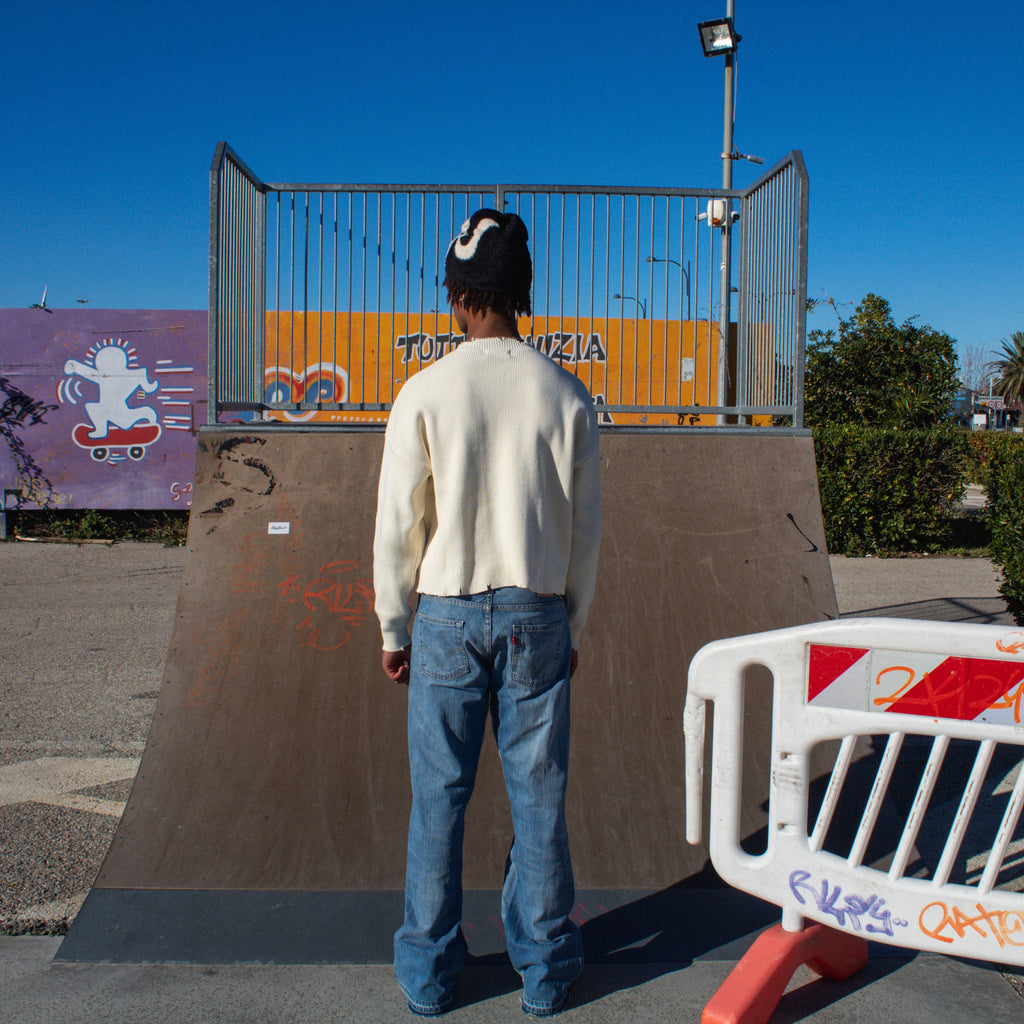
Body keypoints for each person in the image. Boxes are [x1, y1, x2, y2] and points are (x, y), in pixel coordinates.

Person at [373, 208, 601, 1017]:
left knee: (439, 797)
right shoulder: (566, 394)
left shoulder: (425, 391)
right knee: (538, 797)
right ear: (520, 291)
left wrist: (394, 627)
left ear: (459, 292)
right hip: (538, 612)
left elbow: (400, 522)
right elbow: (584, 529)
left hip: (444, 615)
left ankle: (430, 976)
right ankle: (544, 972)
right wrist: (571, 625)